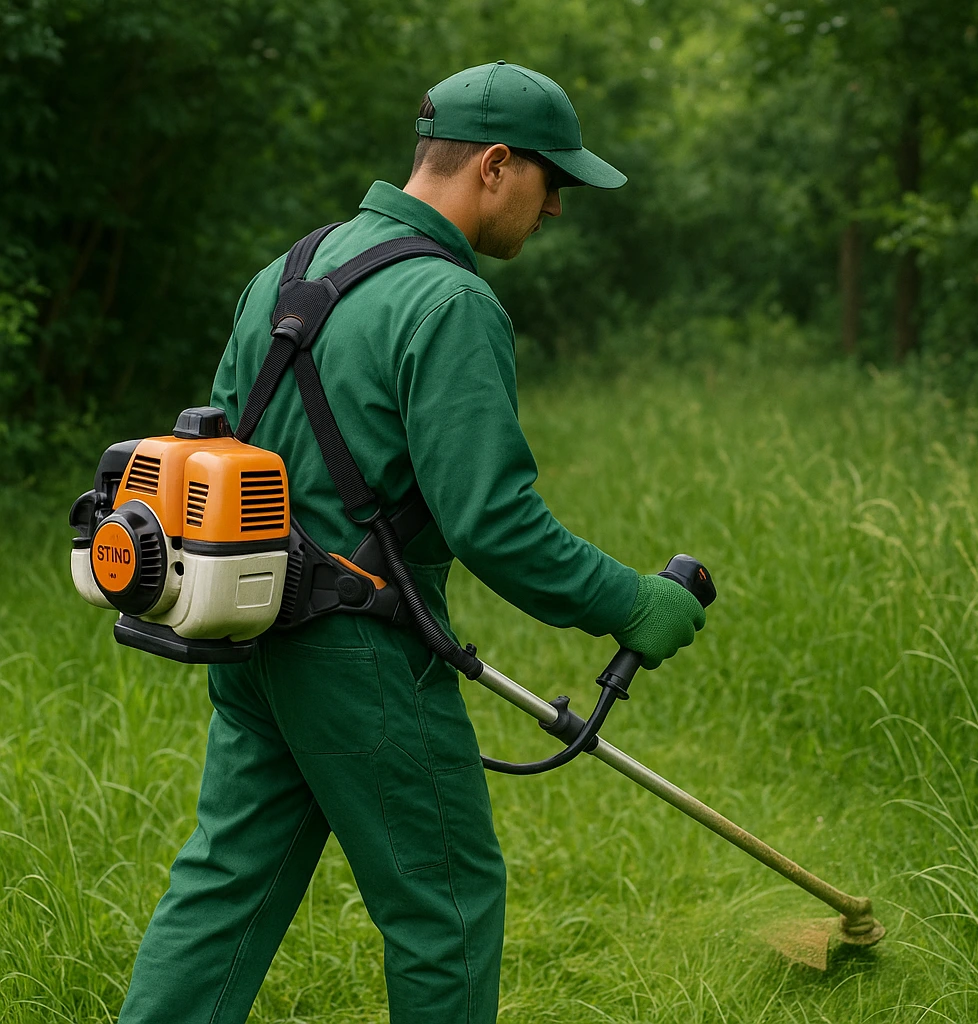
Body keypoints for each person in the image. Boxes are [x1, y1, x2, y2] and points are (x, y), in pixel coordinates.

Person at [118, 61, 706, 1024]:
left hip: (251, 633)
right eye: (552, 183)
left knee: (222, 891)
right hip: (365, 658)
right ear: (496, 165)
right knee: (447, 911)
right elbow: (496, 525)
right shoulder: (451, 303)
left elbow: (207, 446)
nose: (555, 209)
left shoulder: (289, 270)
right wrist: (637, 602)